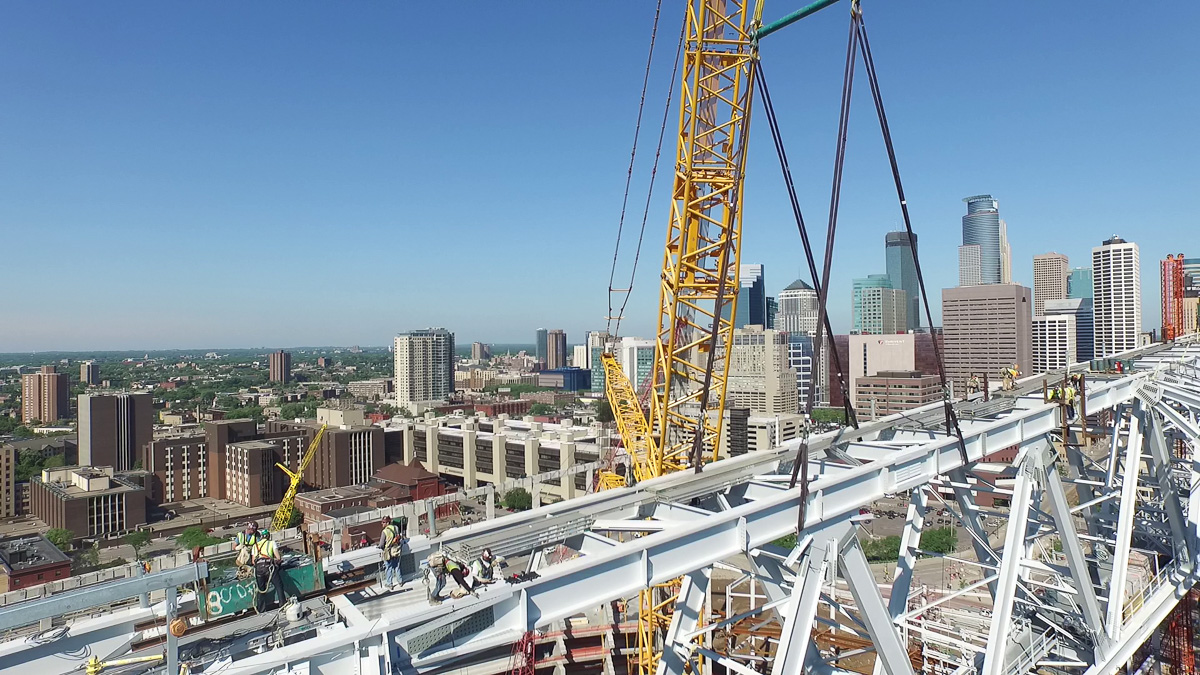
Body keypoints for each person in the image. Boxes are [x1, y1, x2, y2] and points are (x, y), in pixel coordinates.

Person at [253, 530, 284, 612]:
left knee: (261, 589)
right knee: (278, 585)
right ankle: (282, 604)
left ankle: (261, 610)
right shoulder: (272, 543)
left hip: (259, 570)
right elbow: (278, 558)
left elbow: (253, 561)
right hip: (269, 568)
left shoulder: (255, 546)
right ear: (268, 536)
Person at [379, 517, 407, 590]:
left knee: (388, 567)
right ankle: (400, 581)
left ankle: (389, 583)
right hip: (396, 550)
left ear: (387, 523)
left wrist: (380, 547)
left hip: (388, 552)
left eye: (383, 522)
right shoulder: (396, 528)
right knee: (397, 566)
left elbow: (381, 544)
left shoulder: (384, 532)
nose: (382, 524)